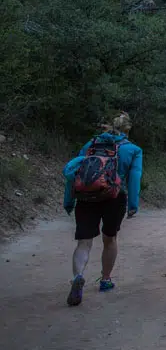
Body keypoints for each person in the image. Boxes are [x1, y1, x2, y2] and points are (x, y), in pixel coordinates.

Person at [62, 112, 143, 307]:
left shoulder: (90, 146)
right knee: (110, 239)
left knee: (84, 242)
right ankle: (105, 280)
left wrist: (68, 201)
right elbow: (134, 178)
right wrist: (133, 205)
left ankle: (78, 277)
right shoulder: (133, 149)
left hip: (86, 197)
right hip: (115, 197)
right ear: (127, 129)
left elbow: (74, 174)